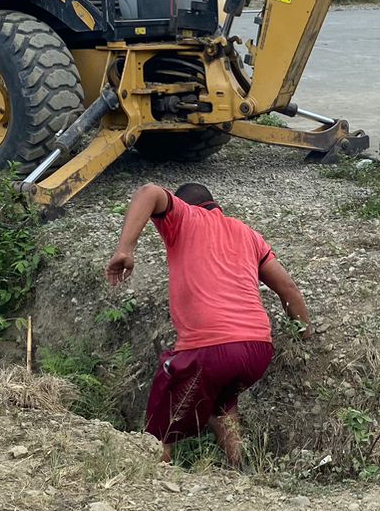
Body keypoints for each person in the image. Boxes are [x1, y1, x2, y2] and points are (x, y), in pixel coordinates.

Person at [106, 182, 309, 466]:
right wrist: (305, 336)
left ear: (182, 205)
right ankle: (241, 469)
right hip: (257, 351)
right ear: (216, 207)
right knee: (221, 403)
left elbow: (148, 192)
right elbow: (289, 289)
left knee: (160, 426)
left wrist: (125, 249)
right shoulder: (248, 234)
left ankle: (152, 477)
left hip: (210, 349)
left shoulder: (184, 217)